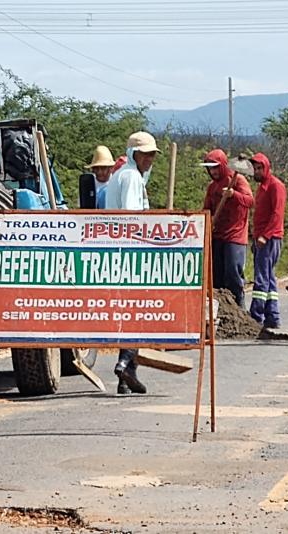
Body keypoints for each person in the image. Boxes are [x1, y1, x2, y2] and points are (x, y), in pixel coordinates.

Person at [104, 131, 160, 393]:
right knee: (136, 310)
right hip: (128, 252)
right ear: (134, 154)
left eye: (152, 155)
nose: (150, 159)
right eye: (146, 154)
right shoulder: (131, 177)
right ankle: (127, 361)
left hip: (118, 252)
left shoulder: (121, 176)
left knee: (129, 310)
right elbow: (130, 219)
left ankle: (125, 373)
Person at [201, 149, 254, 307]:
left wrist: (233, 195)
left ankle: (239, 307)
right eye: (210, 168)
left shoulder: (238, 181)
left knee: (233, 274)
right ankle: (219, 309)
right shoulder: (212, 187)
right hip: (217, 235)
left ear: (223, 166)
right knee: (216, 276)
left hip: (235, 236)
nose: (213, 171)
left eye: (216, 167)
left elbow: (250, 201)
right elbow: (206, 209)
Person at [248, 152, 287, 329]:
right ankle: (273, 317)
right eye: (254, 168)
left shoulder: (275, 186)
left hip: (270, 239)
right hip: (261, 238)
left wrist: (265, 235)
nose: (256, 171)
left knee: (261, 278)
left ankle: (256, 316)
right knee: (269, 278)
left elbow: (277, 214)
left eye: (259, 168)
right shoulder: (262, 187)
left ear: (266, 168)